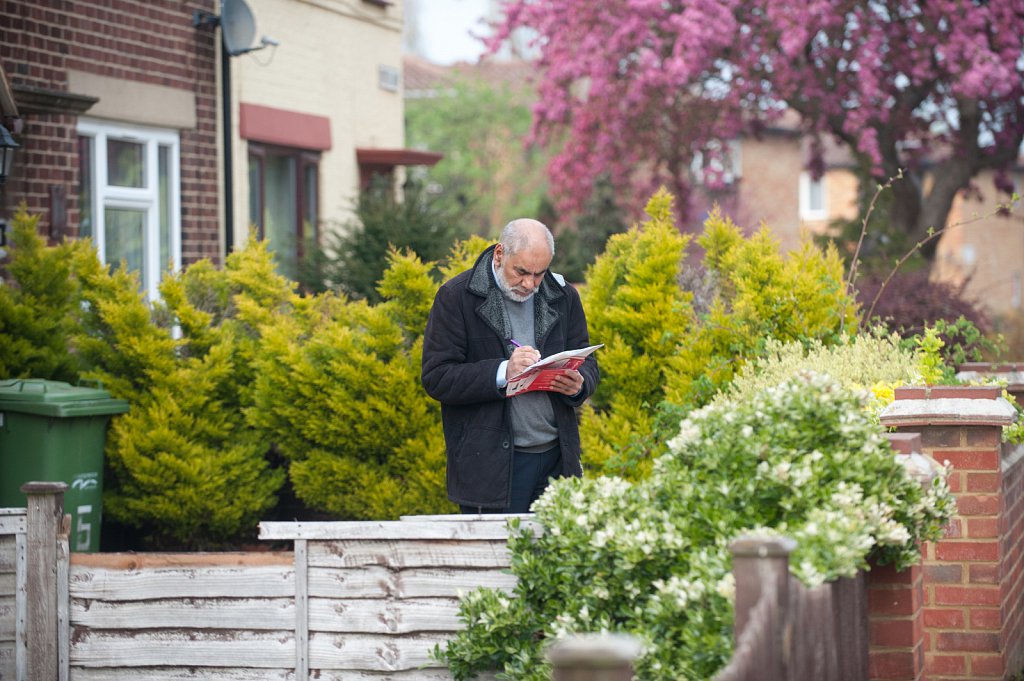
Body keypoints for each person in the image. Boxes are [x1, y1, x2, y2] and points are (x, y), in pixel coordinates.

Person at [421, 219, 599, 514]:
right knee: (499, 559)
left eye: (539, 274)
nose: (529, 284)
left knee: (556, 558)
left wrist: (580, 384)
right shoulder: (456, 297)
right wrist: (503, 371)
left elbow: (588, 362)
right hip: (491, 468)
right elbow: (437, 377)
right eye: (521, 272)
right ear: (499, 254)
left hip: (558, 460)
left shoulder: (564, 296)